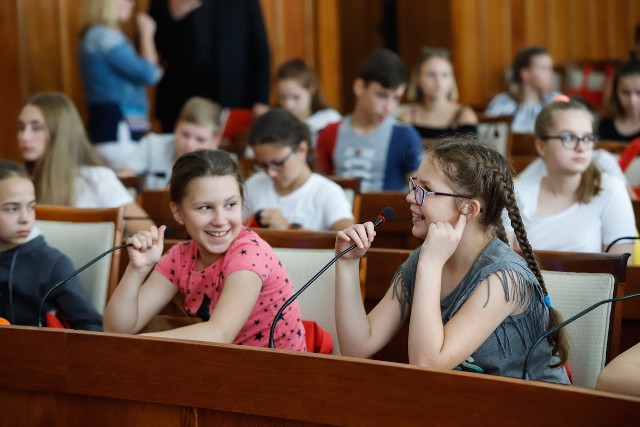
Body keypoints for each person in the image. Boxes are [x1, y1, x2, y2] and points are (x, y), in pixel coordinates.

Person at [333, 138, 569, 383]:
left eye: (424, 190)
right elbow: (358, 347)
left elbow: (427, 365)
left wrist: (431, 265)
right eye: (414, 186)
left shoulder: (504, 277)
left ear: (468, 208)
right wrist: (348, 263)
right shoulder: (423, 260)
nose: (411, 198)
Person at [103, 149, 306, 349]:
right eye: (205, 208)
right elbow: (116, 330)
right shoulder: (180, 256)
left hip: (275, 373)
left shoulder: (250, 253)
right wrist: (136, 270)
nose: (220, 220)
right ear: (178, 212)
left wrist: (133, 345)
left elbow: (219, 334)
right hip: (221, 367)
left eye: (230, 205)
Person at [508, 100, 636, 257]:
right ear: (541, 146)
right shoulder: (517, 194)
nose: (581, 147)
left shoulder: (611, 189)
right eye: (568, 137)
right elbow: (504, 266)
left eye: (588, 138)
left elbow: (621, 273)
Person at [17, 92, 153, 235]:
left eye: (36, 127)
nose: (24, 137)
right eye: (21, 128)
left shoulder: (97, 178)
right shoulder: (18, 182)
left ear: (61, 132)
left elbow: (147, 233)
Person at [0, 159, 102, 330]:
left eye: (31, 207)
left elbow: (91, 327)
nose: (25, 218)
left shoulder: (53, 264)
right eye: (12, 209)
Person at [149, 0, 270, 132]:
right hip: (179, 100)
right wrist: (171, 15)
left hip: (233, 98)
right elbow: (150, 46)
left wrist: (261, 101)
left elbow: (260, 51)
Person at [315, 48, 423, 192]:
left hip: (388, 213)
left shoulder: (405, 136)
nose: (389, 107)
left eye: (396, 98)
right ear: (359, 87)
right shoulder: (330, 132)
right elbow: (318, 186)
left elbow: (419, 193)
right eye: (381, 95)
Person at [78, 0, 163, 169]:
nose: (131, 4)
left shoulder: (92, 36)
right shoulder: (106, 37)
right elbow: (151, 74)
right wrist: (147, 35)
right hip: (119, 127)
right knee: (127, 184)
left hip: (108, 125)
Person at [244, 109, 354, 231]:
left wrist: (289, 229)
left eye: (278, 163)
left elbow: (349, 240)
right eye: (263, 165)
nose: (271, 173)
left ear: (302, 149)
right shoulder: (253, 185)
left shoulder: (327, 193)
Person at [120, 96, 222, 190]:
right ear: (176, 126)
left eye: (200, 139)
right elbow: (124, 178)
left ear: (215, 142)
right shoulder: (152, 144)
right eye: (185, 134)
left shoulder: (224, 169)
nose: (189, 144)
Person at [397, 48, 477, 143]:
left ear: (452, 80)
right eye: (431, 75)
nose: (438, 80)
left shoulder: (465, 115)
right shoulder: (407, 116)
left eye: (445, 75)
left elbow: (469, 154)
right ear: (417, 78)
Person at [485, 46, 560, 134]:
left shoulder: (556, 101)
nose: (552, 75)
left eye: (551, 68)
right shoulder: (502, 104)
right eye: (544, 68)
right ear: (525, 74)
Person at [276, 58, 342, 146]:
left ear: (312, 89)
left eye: (296, 97)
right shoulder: (274, 123)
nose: (288, 105)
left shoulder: (329, 119)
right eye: (283, 97)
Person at [599, 61, 640, 142]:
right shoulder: (603, 125)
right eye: (625, 92)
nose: (632, 101)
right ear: (615, 92)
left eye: (639, 93)